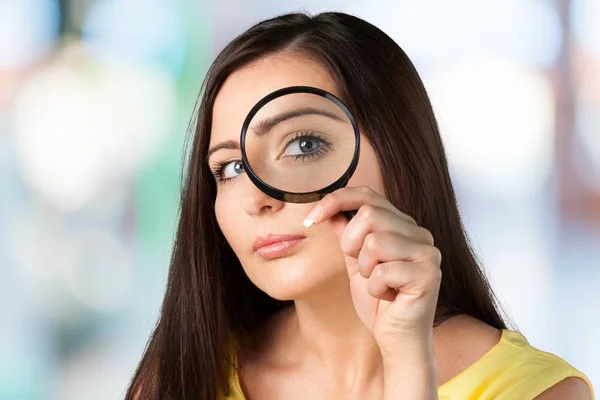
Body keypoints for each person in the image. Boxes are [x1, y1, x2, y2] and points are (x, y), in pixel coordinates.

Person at [126, 12, 594, 400]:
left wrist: (409, 365)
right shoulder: (180, 379)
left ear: (401, 157)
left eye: (304, 144)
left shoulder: (537, 392)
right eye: (229, 167)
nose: (255, 198)